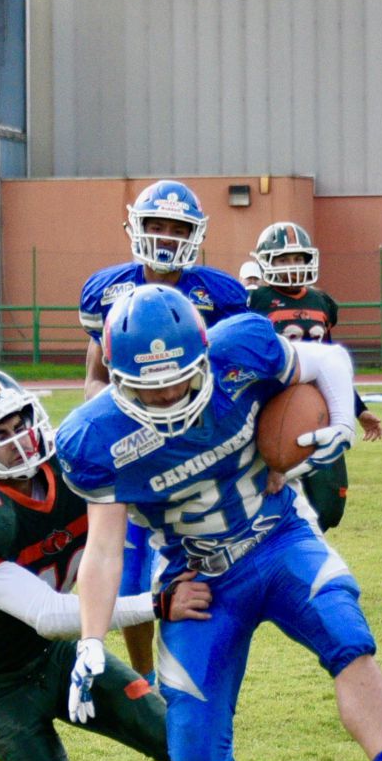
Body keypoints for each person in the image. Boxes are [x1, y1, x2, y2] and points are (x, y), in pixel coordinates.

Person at [54, 284, 382, 761]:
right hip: (201, 580)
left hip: (277, 539)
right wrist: (89, 640)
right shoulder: (95, 437)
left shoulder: (241, 349)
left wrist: (340, 421)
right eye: (143, 383)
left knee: (345, 630)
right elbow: (104, 548)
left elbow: (329, 361)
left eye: (176, 377)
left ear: (202, 353)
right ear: (114, 374)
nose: (162, 393)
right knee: (195, 757)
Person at [0, 366, 312, 761]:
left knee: (179, 738)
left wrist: (263, 463)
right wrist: (157, 604)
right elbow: (47, 612)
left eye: (19, 420)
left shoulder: (71, 465)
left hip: (59, 656)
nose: (18, 438)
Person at [78, 180, 248, 686]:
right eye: (157, 225)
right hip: (137, 452)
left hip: (198, 452)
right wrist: (104, 423)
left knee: (194, 570)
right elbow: (95, 374)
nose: (167, 237)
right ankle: (145, 677)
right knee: (130, 578)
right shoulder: (107, 291)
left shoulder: (220, 296)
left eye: (179, 228)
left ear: (196, 234)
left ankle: (192, 673)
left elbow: (237, 375)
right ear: (136, 226)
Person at [247, 221, 382, 530]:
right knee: (273, 494)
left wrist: (358, 409)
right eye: (283, 259)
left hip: (320, 408)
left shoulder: (321, 302)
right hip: (276, 406)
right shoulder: (255, 302)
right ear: (266, 261)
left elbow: (333, 361)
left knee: (329, 507)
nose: (291, 266)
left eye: (297, 258)